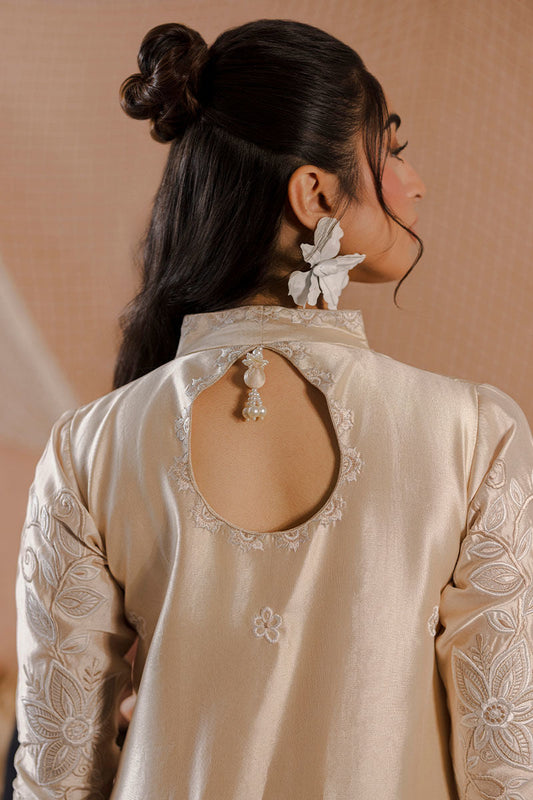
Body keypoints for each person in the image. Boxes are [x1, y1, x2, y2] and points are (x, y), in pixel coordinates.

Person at [11, 18, 533, 800]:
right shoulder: (472, 435)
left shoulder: (88, 447)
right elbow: (507, 767)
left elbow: (54, 778)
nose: (414, 181)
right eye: (390, 149)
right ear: (314, 192)